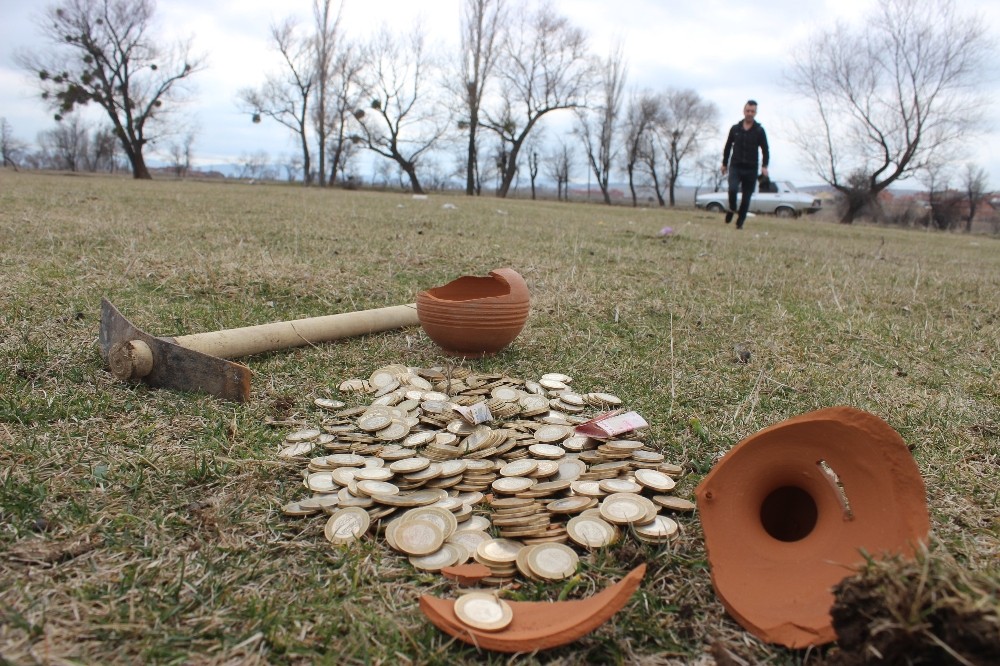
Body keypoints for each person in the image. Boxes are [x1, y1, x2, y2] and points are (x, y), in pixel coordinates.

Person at [721, 100, 769, 229]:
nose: (749, 113)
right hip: (736, 165)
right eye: (748, 111)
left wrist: (764, 166)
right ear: (744, 111)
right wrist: (724, 163)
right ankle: (731, 208)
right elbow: (727, 147)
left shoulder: (759, 130)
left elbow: (765, 149)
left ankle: (740, 223)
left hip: (751, 168)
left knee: (746, 198)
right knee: (732, 189)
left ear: (755, 113)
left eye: (752, 111)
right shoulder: (735, 129)